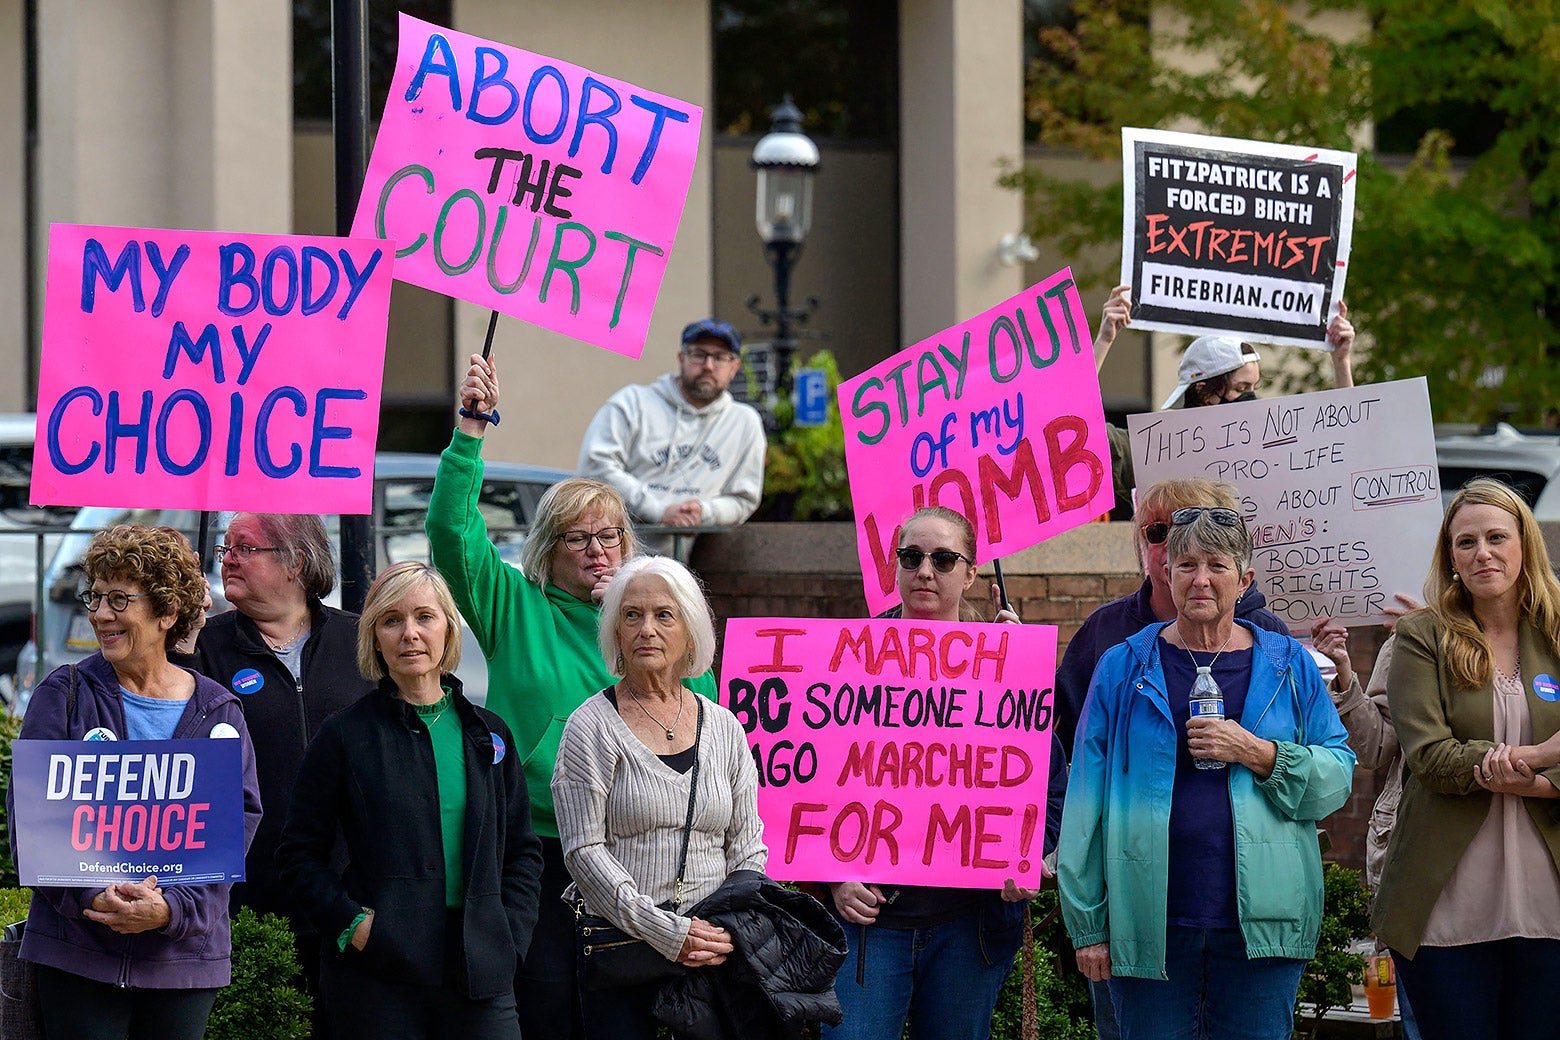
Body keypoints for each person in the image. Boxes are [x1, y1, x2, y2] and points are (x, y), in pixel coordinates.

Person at [428, 352, 718, 1040]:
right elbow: (449, 532)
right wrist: (470, 430)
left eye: (609, 535)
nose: (597, 551)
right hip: (541, 850)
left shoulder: (659, 622)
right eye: (577, 538)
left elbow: (705, 732)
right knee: (551, 1009)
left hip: (644, 856)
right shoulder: (513, 605)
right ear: (545, 551)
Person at [1059, 506, 1354, 1040]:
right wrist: (1089, 926)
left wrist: (1259, 752)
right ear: (1164, 573)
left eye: (1216, 565)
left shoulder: (1289, 664)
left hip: (1263, 923)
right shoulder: (1123, 667)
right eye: (1186, 564)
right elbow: (1086, 802)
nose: (1200, 579)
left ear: (1245, 580)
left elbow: (1337, 778)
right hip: (1146, 922)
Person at [822, 506, 1067, 1040]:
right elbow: (805, 782)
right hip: (870, 926)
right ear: (894, 566)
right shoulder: (848, 661)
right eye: (911, 557)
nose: (925, 571)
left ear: (972, 571)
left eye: (943, 558)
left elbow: (1050, 786)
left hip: (968, 927)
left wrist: (1028, 858)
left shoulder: (1007, 661)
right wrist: (832, 875)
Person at [12, 524, 261, 1040]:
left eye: (120, 599)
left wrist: (170, 908)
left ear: (167, 612)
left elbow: (234, 829)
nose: (101, 614)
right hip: (78, 957)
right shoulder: (65, 694)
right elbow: (31, 821)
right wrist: (92, 896)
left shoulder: (218, 711)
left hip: (182, 963)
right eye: (96, 597)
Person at [275, 561, 544, 1040]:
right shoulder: (344, 735)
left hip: (479, 971)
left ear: (449, 629)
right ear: (375, 637)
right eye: (392, 620)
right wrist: (351, 923)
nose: (410, 633)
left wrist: (510, 937)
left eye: (425, 617)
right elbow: (298, 855)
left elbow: (521, 851)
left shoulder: (489, 733)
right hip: (379, 975)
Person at [1371, 478, 1560, 1039]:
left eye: (1497, 537)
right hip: (1445, 910)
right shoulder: (1421, 635)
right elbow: (1430, 757)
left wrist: (1540, 785)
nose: (1482, 553)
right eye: (1465, 542)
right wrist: (1541, 755)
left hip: (1550, 907)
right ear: (1449, 555)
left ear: (1525, 544)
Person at [552, 556, 767, 1039]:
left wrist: (723, 930)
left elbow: (749, 845)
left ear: (690, 632)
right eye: (632, 615)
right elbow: (584, 853)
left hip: (714, 956)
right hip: (623, 957)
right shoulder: (590, 727)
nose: (646, 628)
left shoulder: (725, 727)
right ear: (616, 634)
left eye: (663, 615)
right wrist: (667, 932)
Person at [175, 512, 373, 1010]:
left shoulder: (361, 640)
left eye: (246, 547)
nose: (229, 559)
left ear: (295, 563)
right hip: (247, 900)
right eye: (226, 549)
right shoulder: (204, 647)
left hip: (353, 900)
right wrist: (179, 643)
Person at [1092, 285, 1355, 513]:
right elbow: (1077, 434)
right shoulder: (1156, 449)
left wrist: (1341, 361)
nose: (1251, 398)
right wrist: (1104, 340)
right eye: (1240, 388)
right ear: (1205, 392)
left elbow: (1344, 443)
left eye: (1253, 386)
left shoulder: (1272, 447)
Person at [577, 318, 766, 555]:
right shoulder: (632, 404)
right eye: (699, 354)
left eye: (719, 357)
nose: (708, 365)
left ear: (734, 367)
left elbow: (744, 499)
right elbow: (594, 467)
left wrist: (702, 512)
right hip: (616, 559)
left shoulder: (744, 423)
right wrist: (658, 511)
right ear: (681, 358)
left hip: (690, 570)